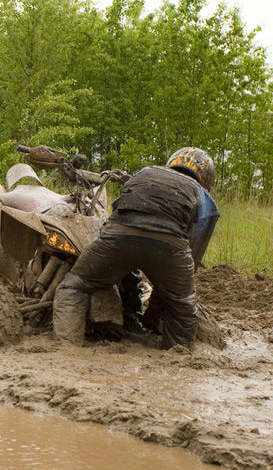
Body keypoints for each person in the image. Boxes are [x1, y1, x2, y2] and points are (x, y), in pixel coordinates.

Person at [52, 147, 219, 350]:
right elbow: (193, 253)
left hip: (119, 235)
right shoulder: (204, 197)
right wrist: (165, 300)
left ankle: (66, 347)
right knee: (182, 306)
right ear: (207, 178)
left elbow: (116, 211)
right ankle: (178, 354)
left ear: (171, 162)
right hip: (170, 245)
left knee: (74, 286)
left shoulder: (145, 172)